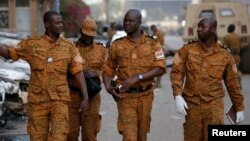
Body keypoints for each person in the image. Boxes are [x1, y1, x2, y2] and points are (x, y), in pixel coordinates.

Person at [0, 11, 89, 141]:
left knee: (59, 137)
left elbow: (78, 71)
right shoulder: (32, 45)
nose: (61, 25)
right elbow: (9, 53)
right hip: (37, 102)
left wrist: (85, 97)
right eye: (57, 22)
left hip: (60, 101)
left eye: (61, 22)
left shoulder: (69, 47)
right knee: (37, 137)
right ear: (47, 24)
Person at [170, 16, 244, 141]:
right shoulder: (187, 50)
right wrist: (177, 95)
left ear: (213, 29)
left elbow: (233, 84)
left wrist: (239, 107)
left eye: (202, 27)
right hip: (192, 107)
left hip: (214, 107)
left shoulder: (225, 54)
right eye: (198, 26)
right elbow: (176, 72)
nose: (198, 30)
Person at [102, 9, 166, 141]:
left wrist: (138, 78)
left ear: (139, 23)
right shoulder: (117, 45)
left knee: (141, 136)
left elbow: (160, 68)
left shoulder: (152, 43)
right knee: (129, 137)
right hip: (126, 97)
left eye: (131, 21)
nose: (127, 23)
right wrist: (108, 87)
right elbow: (108, 70)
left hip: (146, 97)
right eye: (125, 20)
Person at [67, 17, 107, 141]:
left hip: (92, 97)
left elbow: (109, 70)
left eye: (92, 36)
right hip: (72, 96)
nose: (89, 38)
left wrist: (95, 74)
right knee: (70, 134)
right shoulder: (71, 48)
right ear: (81, 31)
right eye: (86, 35)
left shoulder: (102, 50)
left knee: (89, 135)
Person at [223, 24, 242, 89]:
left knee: (230, 71)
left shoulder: (227, 37)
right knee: (237, 69)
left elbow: (224, 47)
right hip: (237, 56)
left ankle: (233, 85)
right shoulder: (238, 36)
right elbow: (240, 45)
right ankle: (239, 82)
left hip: (230, 56)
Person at [150, 24, 165, 89]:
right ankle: (157, 83)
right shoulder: (156, 33)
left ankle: (158, 84)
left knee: (159, 66)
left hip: (158, 51)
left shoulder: (158, 33)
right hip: (157, 50)